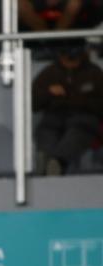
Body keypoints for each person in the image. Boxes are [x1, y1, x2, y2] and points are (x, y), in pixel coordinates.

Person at [32, 40, 103, 175]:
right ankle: (45, 160)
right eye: (65, 56)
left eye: (73, 57)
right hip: (54, 115)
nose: (69, 61)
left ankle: (57, 162)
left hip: (85, 117)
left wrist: (78, 98)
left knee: (78, 132)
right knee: (46, 131)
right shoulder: (50, 72)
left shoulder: (94, 73)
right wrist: (48, 92)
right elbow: (32, 102)